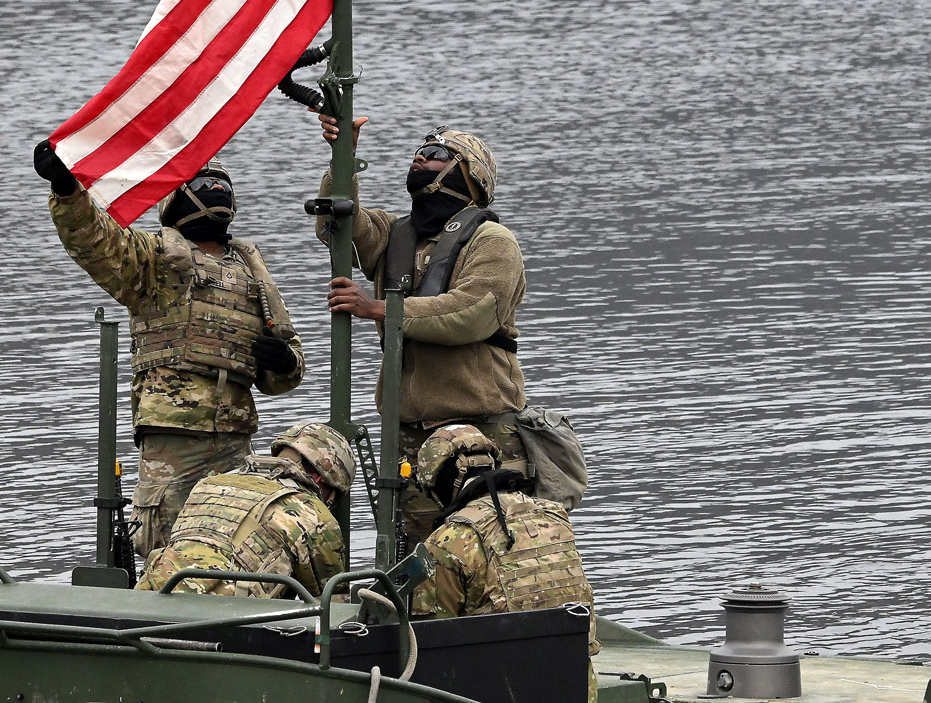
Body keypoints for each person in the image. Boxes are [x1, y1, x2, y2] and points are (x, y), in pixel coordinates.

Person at [36, 142, 306, 559]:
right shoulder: (154, 261)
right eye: (203, 181)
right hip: (174, 436)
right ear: (176, 198)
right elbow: (96, 240)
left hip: (235, 434)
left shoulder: (250, 271)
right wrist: (67, 189)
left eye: (220, 182)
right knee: (169, 546)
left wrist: (285, 364)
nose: (214, 188)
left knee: (237, 543)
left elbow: (288, 360)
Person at [314, 115, 527, 543]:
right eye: (418, 153)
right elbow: (336, 227)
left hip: (480, 434)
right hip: (407, 435)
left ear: (470, 175)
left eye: (435, 155)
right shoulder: (395, 236)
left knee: (488, 545)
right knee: (411, 552)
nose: (420, 159)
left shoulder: (492, 241)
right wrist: (344, 157)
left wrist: (379, 309)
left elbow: (473, 312)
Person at [409, 423, 598, 701]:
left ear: (440, 481)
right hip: (577, 682)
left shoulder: (448, 540)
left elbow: (433, 641)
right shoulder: (553, 515)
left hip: (502, 687)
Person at [135, 422, 353, 598]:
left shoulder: (210, 483)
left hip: (154, 595)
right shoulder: (311, 512)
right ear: (324, 482)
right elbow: (331, 601)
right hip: (225, 617)